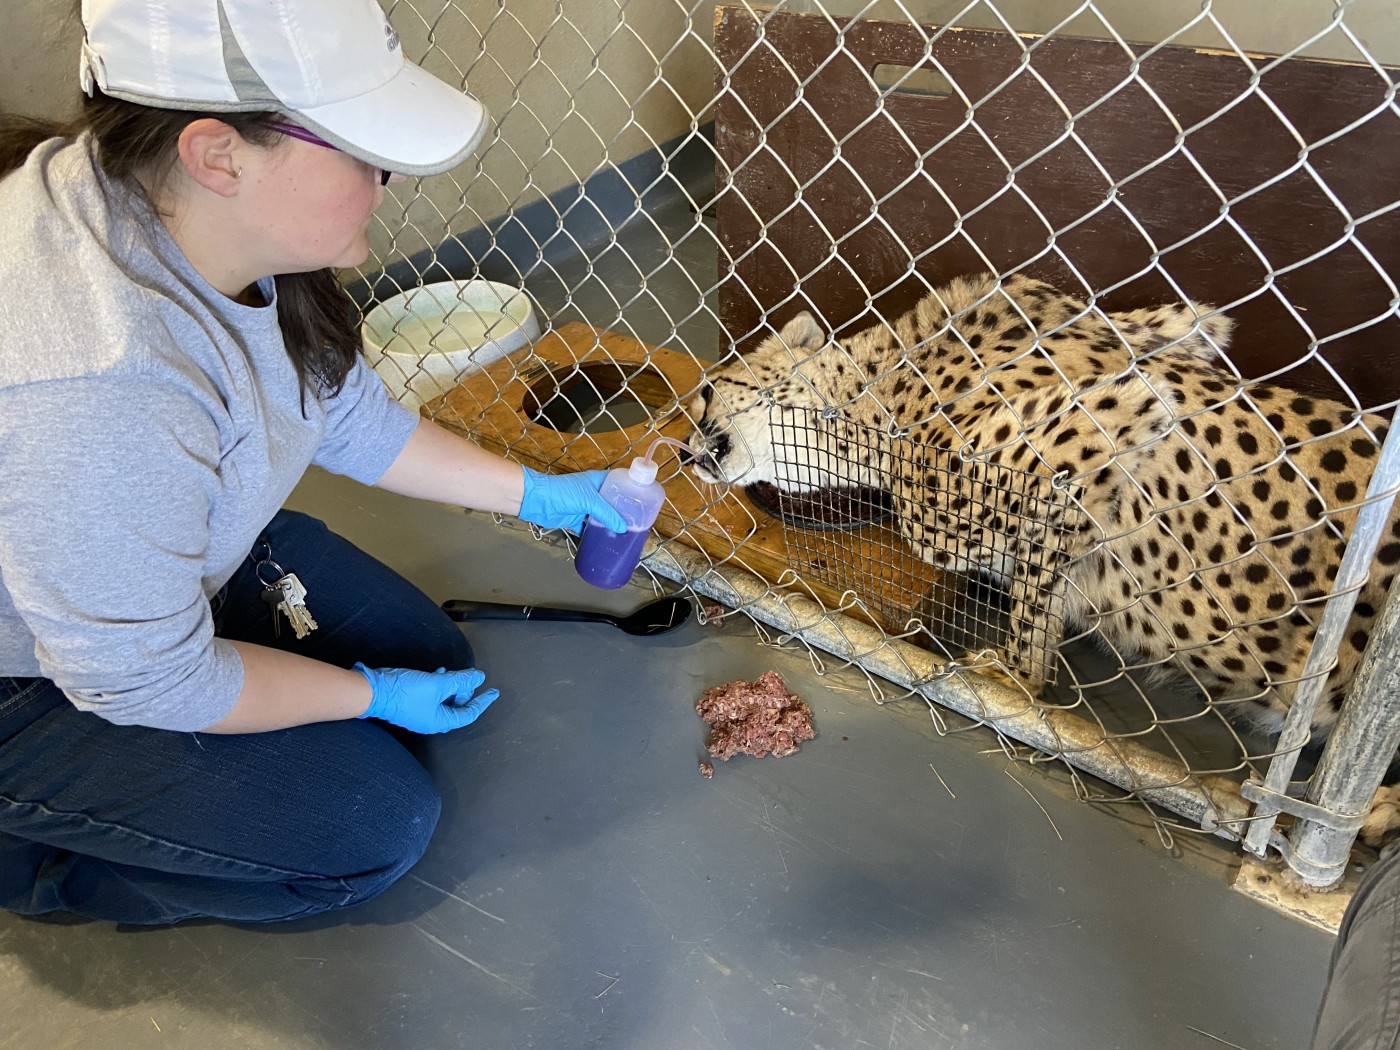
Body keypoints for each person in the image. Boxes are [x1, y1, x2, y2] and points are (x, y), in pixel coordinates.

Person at [0, 0, 627, 926]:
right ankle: (35, 858)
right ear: (219, 154)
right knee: (369, 825)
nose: (387, 180)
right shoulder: (101, 382)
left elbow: (349, 418)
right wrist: (364, 694)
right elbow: (143, 677)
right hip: (43, 671)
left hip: (143, 561)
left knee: (429, 654)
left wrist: (539, 495)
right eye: (364, 153)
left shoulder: (193, 212)